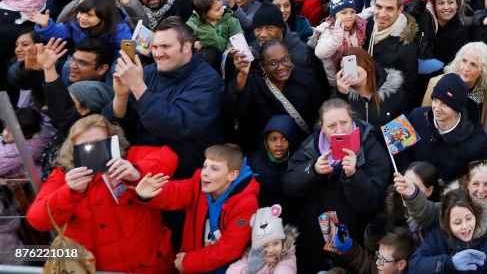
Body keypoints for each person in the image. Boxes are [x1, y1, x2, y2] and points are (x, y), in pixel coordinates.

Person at [26, 115, 179, 273]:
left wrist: (137, 171)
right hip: (100, 269)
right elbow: (38, 220)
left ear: (114, 141)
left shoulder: (130, 158)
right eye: (85, 146)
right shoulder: (64, 176)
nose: (95, 150)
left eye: (101, 143)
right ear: (73, 149)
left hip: (151, 264)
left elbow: (169, 157)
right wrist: (70, 192)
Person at [107, 17, 224, 177]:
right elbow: (119, 127)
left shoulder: (208, 81)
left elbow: (175, 125)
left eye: (165, 46)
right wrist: (121, 97)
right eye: (155, 47)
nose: (158, 53)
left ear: (187, 47)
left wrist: (138, 86)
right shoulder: (148, 72)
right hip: (140, 166)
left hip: (183, 173)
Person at [282, 98, 390, 270]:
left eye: (344, 122)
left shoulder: (370, 147)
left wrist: (354, 175)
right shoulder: (311, 146)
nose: (339, 130)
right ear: (321, 127)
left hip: (355, 239)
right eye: (331, 126)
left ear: (352, 120)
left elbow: (372, 202)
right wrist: (313, 170)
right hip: (315, 236)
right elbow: (289, 186)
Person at [134, 143, 260, 273]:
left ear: (232, 175)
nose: (205, 173)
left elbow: (229, 249)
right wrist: (150, 193)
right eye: (205, 166)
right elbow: (176, 192)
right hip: (195, 265)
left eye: (214, 169)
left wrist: (187, 262)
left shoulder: (246, 203)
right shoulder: (198, 182)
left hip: (225, 269)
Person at [400, 73, 487, 182]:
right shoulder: (416, 116)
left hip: (448, 196)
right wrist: (407, 176)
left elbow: (478, 179)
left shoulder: (477, 142)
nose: (437, 108)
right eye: (435, 100)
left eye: (445, 104)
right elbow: (396, 149)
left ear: (458, 108)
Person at [409, 189, 487, 274]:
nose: (465, 226)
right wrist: (448, 263)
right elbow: (414, 265)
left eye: (469, 218)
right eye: (457, 223)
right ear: (447, 223)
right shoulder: (437, 236)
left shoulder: (486, 245)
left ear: (475, 215)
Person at [226, 204, 298, 274]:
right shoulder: (250, 258)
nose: (271, 250)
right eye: (265, 246)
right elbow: (232, 270)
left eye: (276, 243)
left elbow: (285, 270)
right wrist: (247, 270)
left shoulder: (286, 258)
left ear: (283, 242)